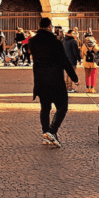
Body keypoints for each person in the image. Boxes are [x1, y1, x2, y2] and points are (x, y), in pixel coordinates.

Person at [31, 17, 79, 148]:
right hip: (55, 80)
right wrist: (74, 77)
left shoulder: (32, 41)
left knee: (45, 108)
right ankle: (52, 131)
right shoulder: (55, 42)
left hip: (40, 80)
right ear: (49, 27)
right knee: (62, 107)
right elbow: (64, 60)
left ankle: (46, 134)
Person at [61, 28, 81, 92]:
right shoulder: (73, 41)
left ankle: (66, 87)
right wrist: (79, 59)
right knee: (71, 74)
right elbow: (75, 52)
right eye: (74, 33)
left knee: (67, 74)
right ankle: (69, 88)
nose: (76, 34)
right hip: (71, 60)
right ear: (70, 34)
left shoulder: (63, 40)